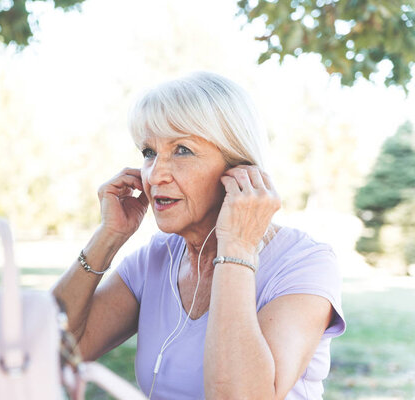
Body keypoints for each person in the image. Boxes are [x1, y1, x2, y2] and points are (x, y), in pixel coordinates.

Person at [52, 71, 345, 400]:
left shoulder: (305, 263)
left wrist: (236, 247)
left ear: (239, 168)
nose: (156, 174)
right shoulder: (156, 258)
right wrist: (108, 237)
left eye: (182, 150)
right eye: (149, 152)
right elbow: (52, 351)